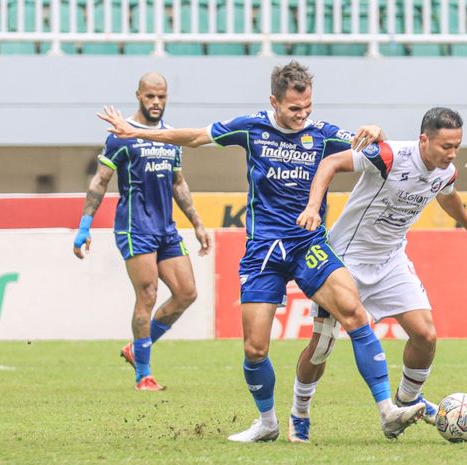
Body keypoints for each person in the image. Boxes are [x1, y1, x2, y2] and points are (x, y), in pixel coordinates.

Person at [97, 61, 426, 443]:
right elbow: (196, 137)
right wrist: (137, 131)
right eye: (293, 109)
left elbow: (376, 148)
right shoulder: (251, 127)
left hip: (308, 244)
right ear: (274, 101)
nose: (302, 115)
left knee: (354, 313)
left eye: (307, 107)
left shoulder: (322, 133)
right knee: (255, 348)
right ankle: (268, 422)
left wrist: (378, 130)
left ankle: (387, 410)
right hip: (263, 251)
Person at [295, 107, 467, 438]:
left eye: (457, 146)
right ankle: (299, 414)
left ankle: (406, 401)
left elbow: (447, 196)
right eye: (446, 146)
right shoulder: (389, 156)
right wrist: (311, 209)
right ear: (424, 139)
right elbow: (331, 163)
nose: (452, 153)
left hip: (391, 261)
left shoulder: (445, 171)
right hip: (345, 260)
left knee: (426, 335)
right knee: (321, 348)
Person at [73, 72, 211, 392]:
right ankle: (144, 375)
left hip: (166, 229)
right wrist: (84, 226)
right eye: (150, 96)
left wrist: (198, 223)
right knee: (147, 295)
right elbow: (100, 181)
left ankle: (137, 347)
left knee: (187, 292)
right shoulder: (122, 135)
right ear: (139, 96)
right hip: (135, 228)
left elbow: (178, 183)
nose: (156, 102)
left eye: (162, 97)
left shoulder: (171, 136)